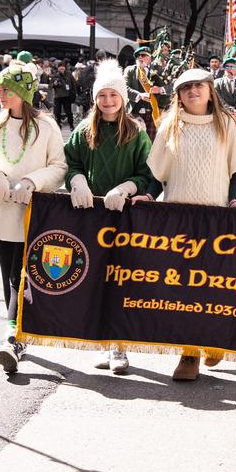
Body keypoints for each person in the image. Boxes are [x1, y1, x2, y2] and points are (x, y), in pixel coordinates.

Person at [148, 68, 236, 382]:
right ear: (178, 95)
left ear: (210, 90)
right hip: (179, 217)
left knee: (215, 285)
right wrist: (147, 196)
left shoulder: (227, 123)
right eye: (186, 87)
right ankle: (189, 353)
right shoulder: (170, 125)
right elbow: (158, 173)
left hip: (216, 216)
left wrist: (235, 201)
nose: (193, 91)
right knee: (185, 288)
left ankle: (215, 339)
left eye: (199, 86)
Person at [0, 61, 67, 375]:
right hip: (2, 212)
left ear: (23, 93)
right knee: (7, 273)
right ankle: (15, 334)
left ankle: (14, 336)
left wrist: (32, 181)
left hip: (32, 212)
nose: (1, 95)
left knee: (19, 275)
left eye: (7, 90)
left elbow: (59, 166)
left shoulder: (46, 126)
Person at [65, 60, 157, 375]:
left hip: (124, 216)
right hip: (91, 216)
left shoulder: (136, 133)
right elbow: (71, 163)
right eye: (102, 95)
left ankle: (119, 345)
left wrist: (128, 187)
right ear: (95, 98)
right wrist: (77, 181)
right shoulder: (83, 131)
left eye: (113, 95)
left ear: (122, 98)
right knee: (95, 280)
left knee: (120, 281)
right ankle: (103, 340)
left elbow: (148, 174)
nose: (108, 101)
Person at [125, 45, 168, 139]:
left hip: (153, 114)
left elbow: (170, 87)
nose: (140, 57)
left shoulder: (158, 70)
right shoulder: (130, 70)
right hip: (134, 112)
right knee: (133, 141)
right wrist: (139, 95)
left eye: (143, 55)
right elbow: (125, 88)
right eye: (138, 56)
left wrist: (160, 89)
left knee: (151, 143)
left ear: (150, 58)